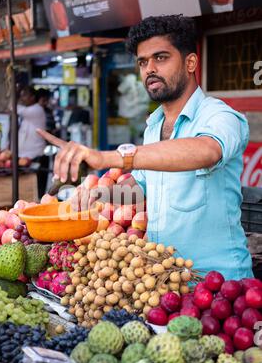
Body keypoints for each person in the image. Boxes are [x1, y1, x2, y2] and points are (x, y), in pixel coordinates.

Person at [37, 15, 253, 280]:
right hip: (165, 277)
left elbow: (207, 151)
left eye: (160, 58)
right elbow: (142, 189)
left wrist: (108, 157)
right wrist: (99, 196)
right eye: (142, 62)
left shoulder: (221, 116)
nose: (150, 68)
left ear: (190, 62)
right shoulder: (154, 127)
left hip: (218, 282)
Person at [18, 86, 47, 197]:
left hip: (35, 156)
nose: (22, 98)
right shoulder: (29, 112)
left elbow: (14, 108)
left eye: (24, 95)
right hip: (26, 157)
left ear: (32, 97)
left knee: (35, 190)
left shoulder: (36, 109)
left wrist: (14, 95)